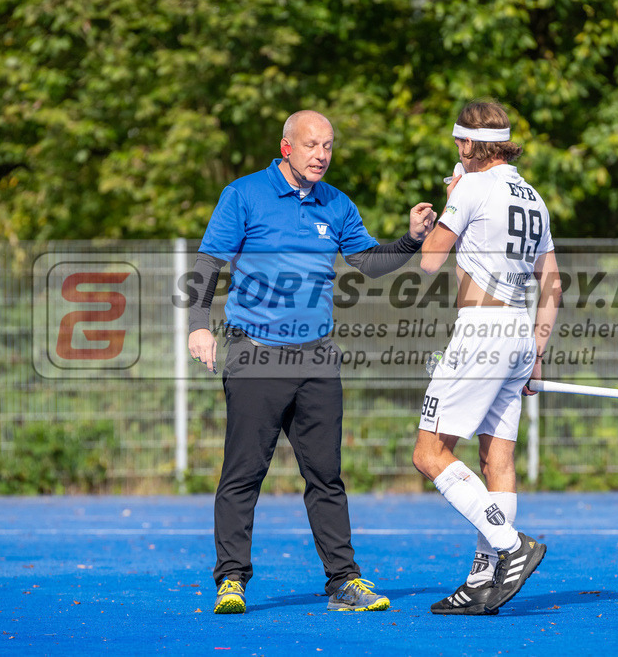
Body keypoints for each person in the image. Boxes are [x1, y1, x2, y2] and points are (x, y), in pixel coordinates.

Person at [187, 109, 437, 614]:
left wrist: (412, 238)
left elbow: (369, 263)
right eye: (311, 145)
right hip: (256, 354)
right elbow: (208, 262)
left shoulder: (337, 203)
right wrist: (197, 324)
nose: (321, 154)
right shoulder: (243, 194)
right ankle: (231, 578)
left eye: (327, 145)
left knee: (326, 477)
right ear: (287, 148)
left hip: (318, 357)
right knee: (243, 474)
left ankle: (344, 582)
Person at [414, 100, 562, 615]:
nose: (457, 151)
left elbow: (430, 259)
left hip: (481, 331)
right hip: (519, 331)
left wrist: (448, 205)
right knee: (495, 458)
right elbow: (553, 282)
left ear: (468, 144)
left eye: (459, 143)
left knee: (429, 453)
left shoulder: (472, 188)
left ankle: (511, 545)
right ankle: (483, 580)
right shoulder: (535, 198)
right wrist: (536, 351)